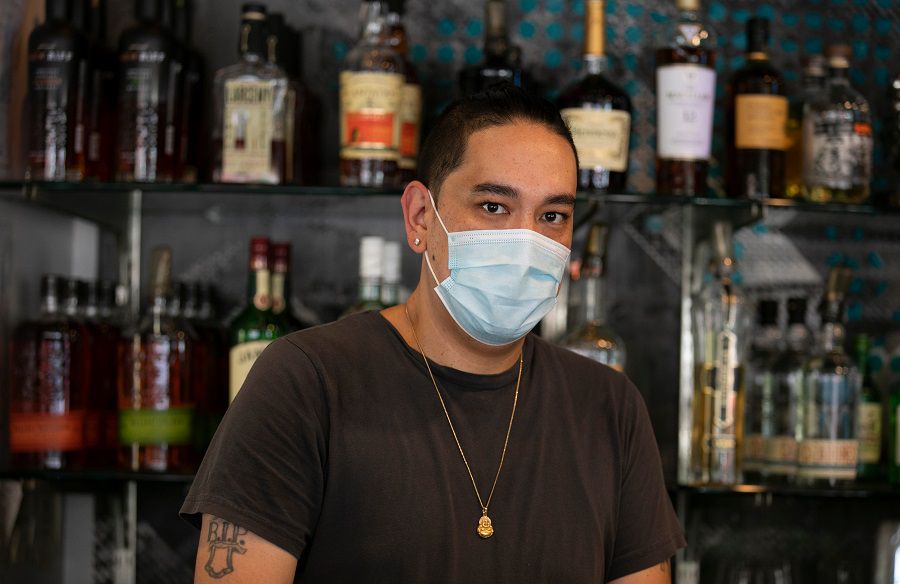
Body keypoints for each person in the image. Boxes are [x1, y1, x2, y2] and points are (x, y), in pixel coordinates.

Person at [181, 83, 685, 583]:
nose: (527, 241)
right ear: (421, 216)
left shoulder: (609, 408)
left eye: (553, 216)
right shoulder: (306, 382)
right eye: (493, 206)